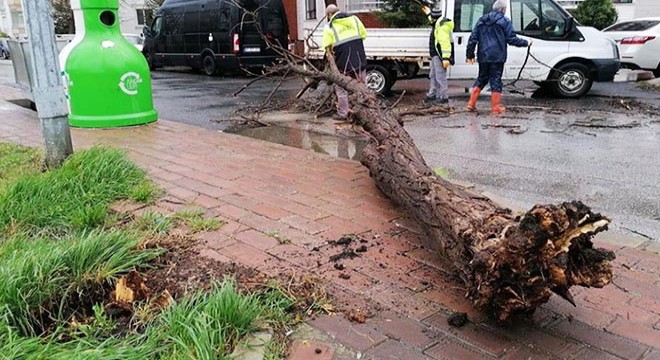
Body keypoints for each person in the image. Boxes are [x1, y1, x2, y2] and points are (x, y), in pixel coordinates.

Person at [466, 0, 531, 115]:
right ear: (502, 9)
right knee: (495, 80)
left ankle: (471, 104)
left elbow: (473, 38)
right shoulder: (504, 21)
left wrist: (469, 54)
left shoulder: (482, 20)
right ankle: (496, 108)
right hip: (497, 56)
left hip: (483, 55)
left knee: (481, 78)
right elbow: (511, 39)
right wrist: (526, 42)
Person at [322, 4, 368, 120]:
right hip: (359, 59)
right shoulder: (355, 20)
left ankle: (343, 113)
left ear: (329, 15)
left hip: (343, 63)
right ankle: (367, 112)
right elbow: (364, 35)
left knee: (341, 88)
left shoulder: (329, 27)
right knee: (361, 87)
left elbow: (327, 48)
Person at [423, 7, 455, 106]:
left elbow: (445, 43)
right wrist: (428, 14)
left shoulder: (442, 26)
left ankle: (443, 97)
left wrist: (445, 58)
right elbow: (432, 21)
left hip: (439, 55)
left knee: (440, 76)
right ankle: (433, 94)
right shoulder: (438, 23)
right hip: (435, 54)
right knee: (433, 75)